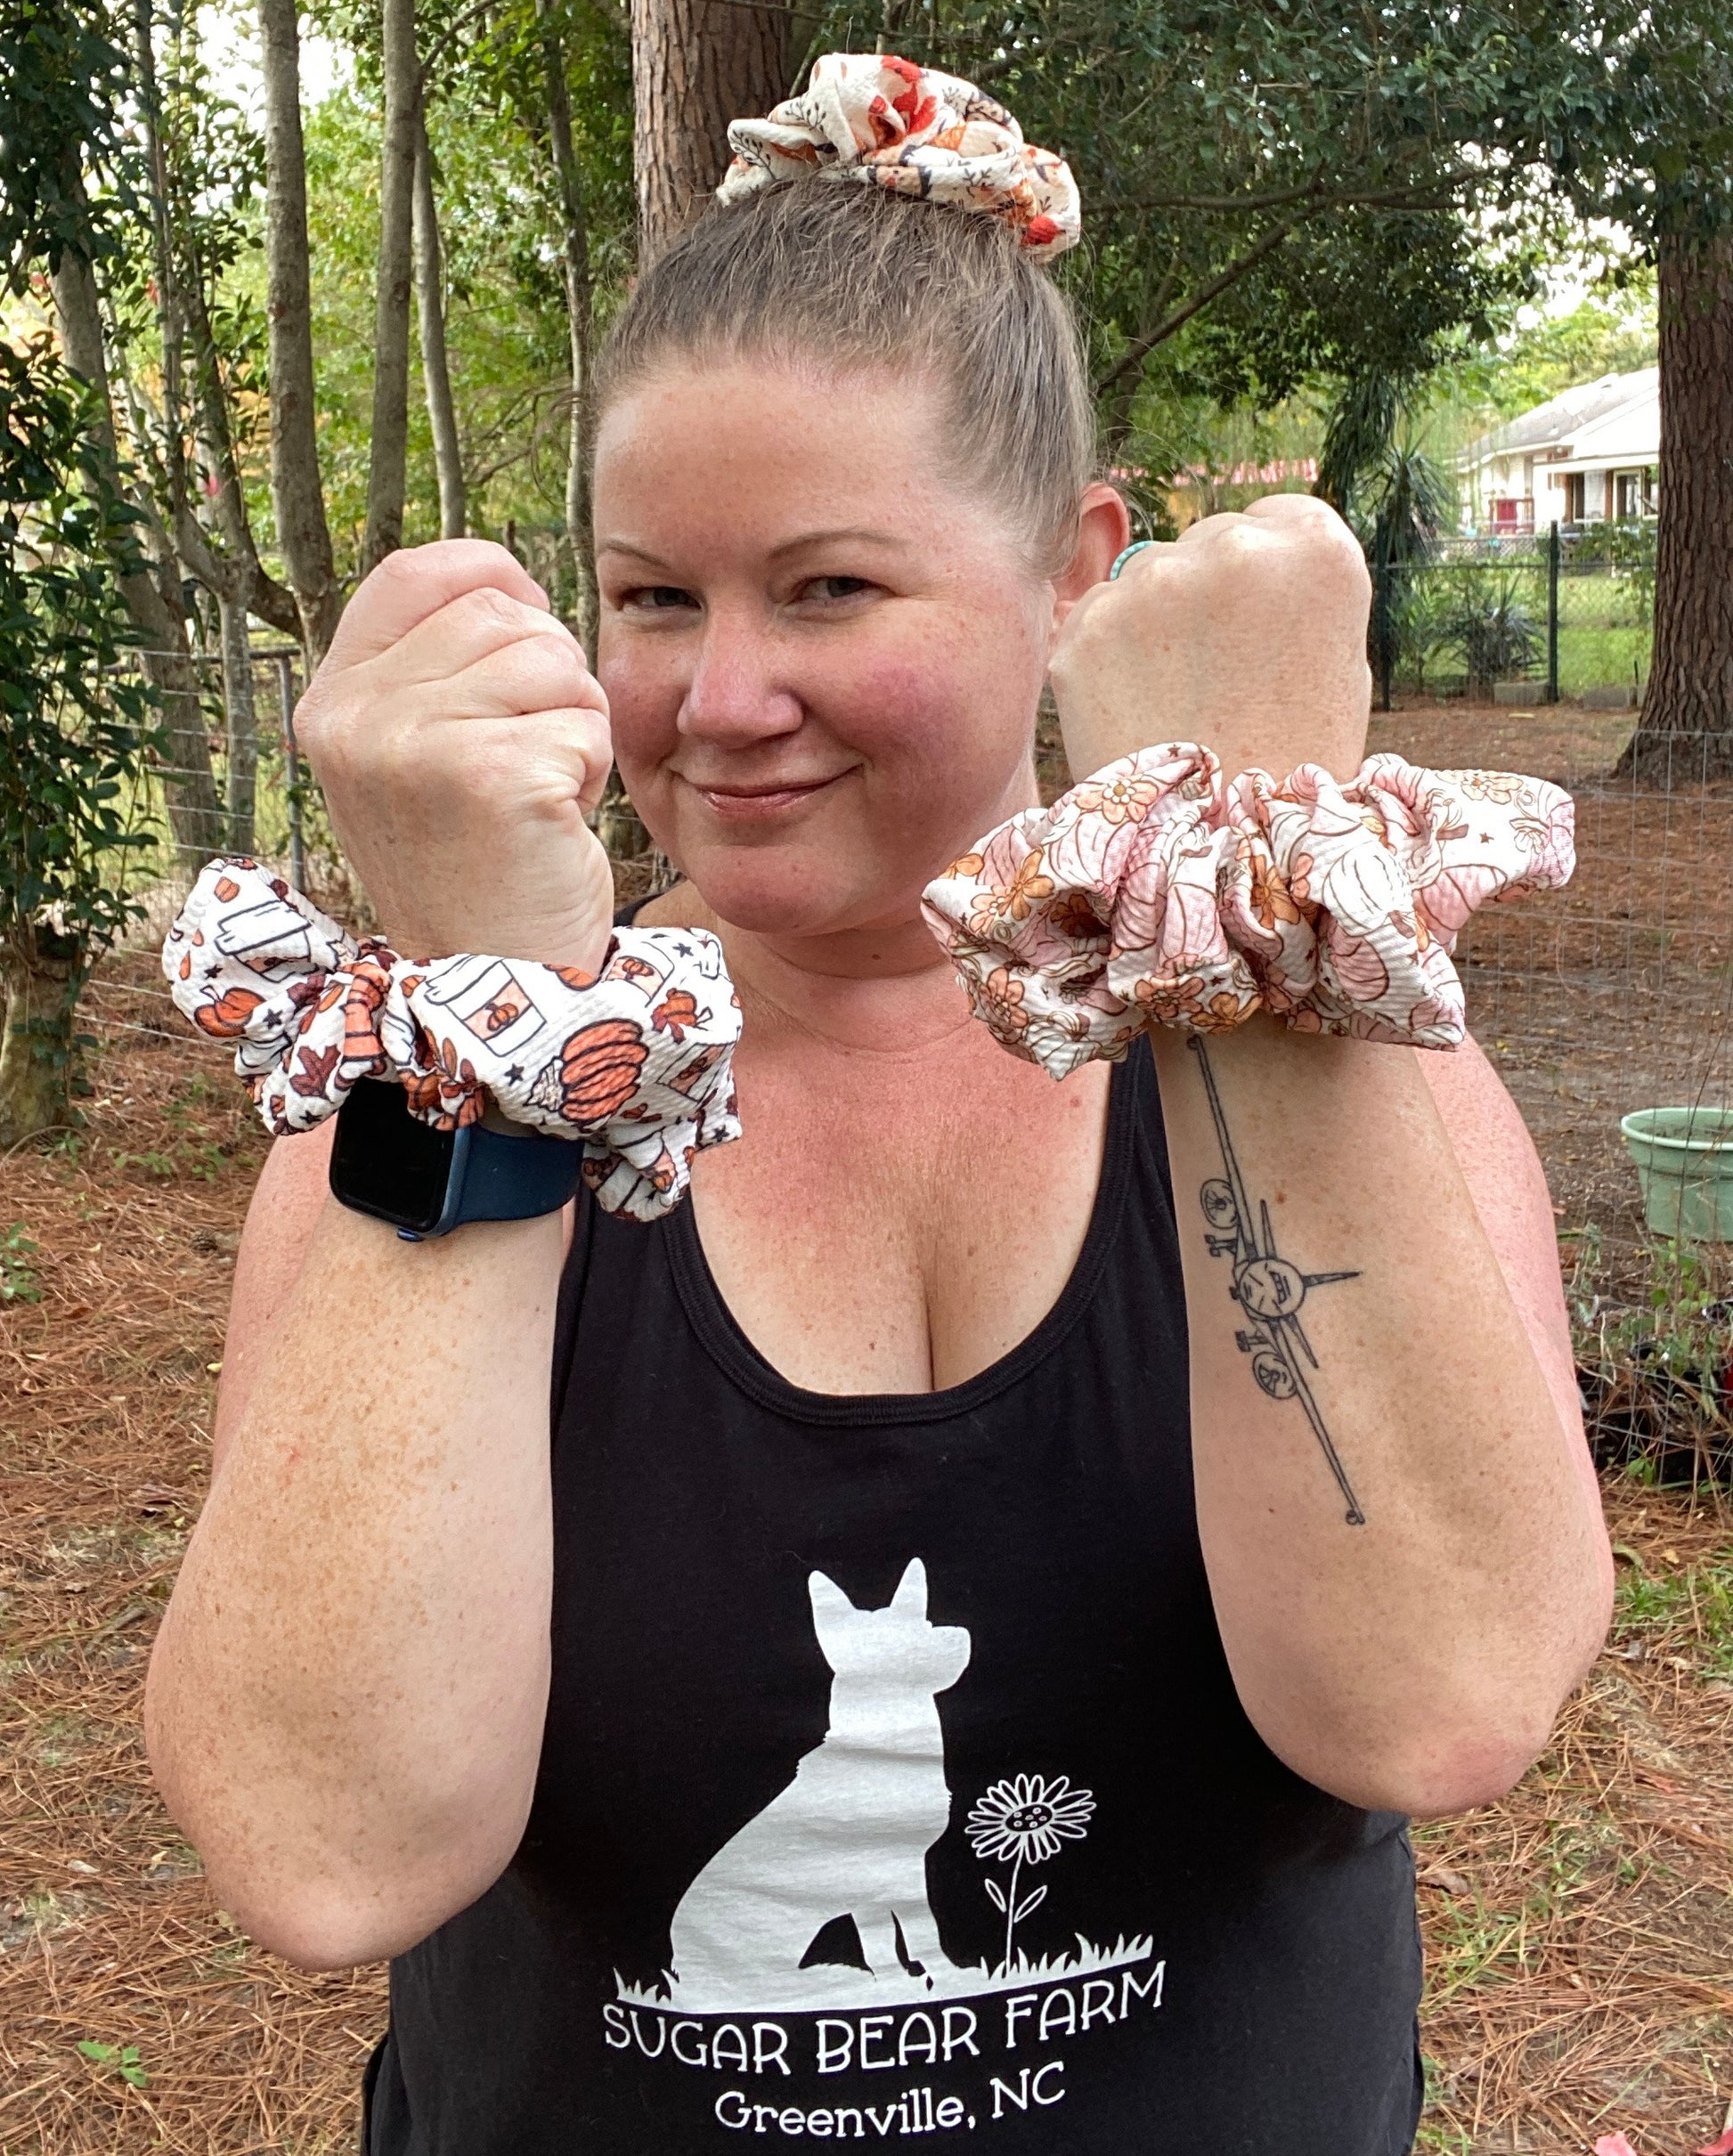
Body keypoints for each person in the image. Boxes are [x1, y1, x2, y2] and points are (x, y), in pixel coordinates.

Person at [144, 55, 1612, 2155]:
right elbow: (323, 1850)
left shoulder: (1344, 1064)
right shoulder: (434, 1094)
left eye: (827, 586)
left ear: (1073, 570)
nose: (718, 699)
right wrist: (492, 1030)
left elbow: (1441, 1704)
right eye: (654, 595)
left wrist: (1250, 881)